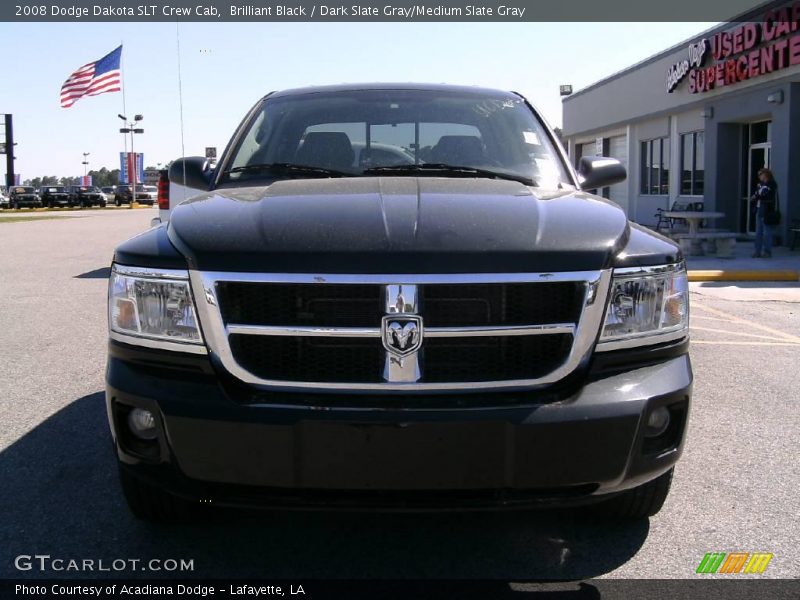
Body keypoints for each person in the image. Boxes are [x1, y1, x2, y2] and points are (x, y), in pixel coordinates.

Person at [750, 168, 778, 258]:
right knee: (758, 232)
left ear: (765, 175)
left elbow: (762, 193)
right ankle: (757, 251)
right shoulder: (761, 185)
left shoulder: (771, 184)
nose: (759, 177)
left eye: (760, 174)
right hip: (759, 209)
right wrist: (756, 194)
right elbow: (757, 193)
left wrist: (756, 195)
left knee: (767, 232)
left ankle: (767, 251)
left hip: (767, 211)